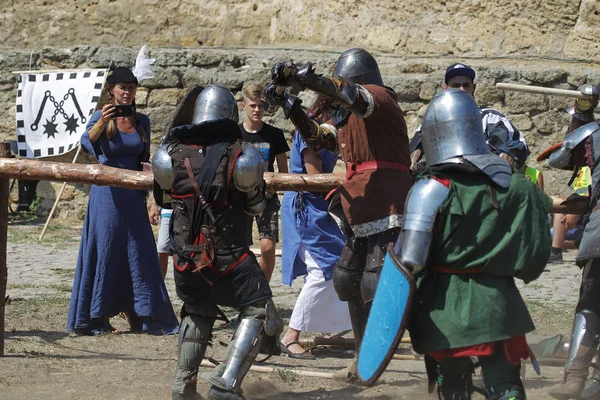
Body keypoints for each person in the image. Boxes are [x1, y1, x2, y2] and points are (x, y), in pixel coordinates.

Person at [264, 48, 413, 380]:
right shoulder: (349, 119)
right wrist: (290, 105)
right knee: (347, 277)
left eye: (342, 84)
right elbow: (318, 139)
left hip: (387, 197)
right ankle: (363, 358)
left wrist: (306, 79)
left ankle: (377, 357)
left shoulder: (378, 98)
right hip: (361, 200)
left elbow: (348, 95)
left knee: (374, 281)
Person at [403, 88, 552, 399]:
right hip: (501, 305)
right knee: (506, 385)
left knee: (454, 386)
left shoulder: (431, 188)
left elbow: (410, 263)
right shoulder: (516, 185)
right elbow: (536, 252)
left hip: (446, 310)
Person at [153, 84, 281, 400]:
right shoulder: (244, 157)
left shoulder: (168, 156)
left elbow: (168, 199)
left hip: (185, 256)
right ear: (230, 115)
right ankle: (226, 384)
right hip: (228, 257)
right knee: (259, 309)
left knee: (197, 310)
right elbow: (255, 207)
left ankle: (182, 387)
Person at [67, 66, 179, 335]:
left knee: (139, 252)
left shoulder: (142, 121)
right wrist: (100, 123)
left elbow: (146, 163)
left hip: (133, 196)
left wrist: (154, 200)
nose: (127, 92)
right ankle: (98, 315)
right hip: (106, 196)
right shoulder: (100, 117)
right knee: (106, 251)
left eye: (131, 87)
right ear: (111, 91)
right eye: (122, 87)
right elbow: (85, 146)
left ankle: (142, 313)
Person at [280, 95, 351, 359]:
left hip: (314, 208)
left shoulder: (326, 133)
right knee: (322, 269)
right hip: (305, 208)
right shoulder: (310, 131)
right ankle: (291, 335)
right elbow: (315, 178)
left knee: (338, 262)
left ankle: (342, 325)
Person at [541, 84, 600, 400]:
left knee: (592, 306)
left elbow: (563, 156)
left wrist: (583, 111)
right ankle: (579, 380)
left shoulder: (595, 135)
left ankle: (577, 379)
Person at [410, 63, 527, 173]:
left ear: (473, 88)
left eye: (466, 85)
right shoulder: (431, 122)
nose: (462, 89)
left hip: (483, 186)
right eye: (455, 85)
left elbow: (517, 147)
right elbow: (411, 159)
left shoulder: (492, 118)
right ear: (446, 88)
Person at [239, 84, 290, 282]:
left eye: (261, 106)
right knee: (240, 248)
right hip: (240, 198)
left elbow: (284, 172)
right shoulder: (234, 135)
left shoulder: (275, 135)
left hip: (267, 198)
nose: (257, 110)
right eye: (253, 105)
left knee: (268, 247)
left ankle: (262, 290)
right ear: (244, 106)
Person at [548, 166, 591, 264]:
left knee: (560, 213)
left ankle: (555, 253)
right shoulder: (582, 170)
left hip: (588, 212)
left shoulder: (590, 168)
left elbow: (590, 192)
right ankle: (580, 244)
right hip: (582, 211)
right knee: (547, 237)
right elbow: (581, 193)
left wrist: (574, 213)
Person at [148, 202, 172, 279]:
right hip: (168, 210)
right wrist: (154, 205)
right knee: (162, 248)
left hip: (188, 209)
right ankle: (159, 287)